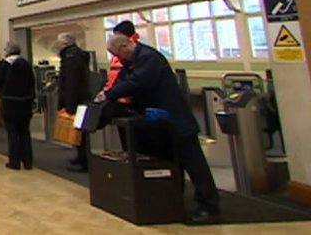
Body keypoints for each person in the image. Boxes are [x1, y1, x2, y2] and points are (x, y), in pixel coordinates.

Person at [99, 34, 220, 224]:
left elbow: (137, 82)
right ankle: (174, 200)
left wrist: (109, 94)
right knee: (172, 163)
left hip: (177, 121)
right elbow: (125, 80)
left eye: (117, 54)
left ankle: (209, 206)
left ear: (125, 46)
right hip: (161, 124)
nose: (119, 59)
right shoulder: (134, 61)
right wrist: (109, 92)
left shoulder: (149, 58)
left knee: (195, 165)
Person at [0, 42, 35, 170]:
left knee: (12, 133)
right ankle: (28, 161)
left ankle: (14, 161)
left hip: (9, 102)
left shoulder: (4, 64)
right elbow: (32, 82)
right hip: (25, 103)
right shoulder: (26, 64)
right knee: (24, 132)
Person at [57, 33, 91, 172]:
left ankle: (84, 161)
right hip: (82, 98)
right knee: (80, 131)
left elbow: (71, 82)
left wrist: (69, 104)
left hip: (76, 100)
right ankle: (81, 157)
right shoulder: (79, 55)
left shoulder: (70, 58)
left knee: (79, 131)